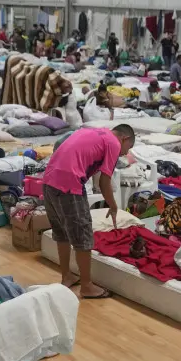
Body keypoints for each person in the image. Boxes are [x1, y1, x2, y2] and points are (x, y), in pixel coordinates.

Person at [43, 125, 135, 300]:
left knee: (61, 231)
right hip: (69, 185)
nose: (124, 153)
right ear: (124, 138)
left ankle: (67, 276)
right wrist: (113, 206)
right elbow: (104, 182)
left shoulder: (91, 130)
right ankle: (86, 286)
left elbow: (60, 144)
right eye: (128, 148)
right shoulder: (113, 143)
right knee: (83, 235)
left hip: (48, 180)